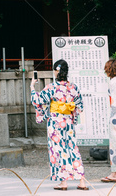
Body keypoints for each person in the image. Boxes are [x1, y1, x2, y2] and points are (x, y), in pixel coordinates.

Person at [31, 59, 89, 191]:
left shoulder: (51, 87)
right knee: (73, 148)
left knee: (58, 150)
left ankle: (63, 183)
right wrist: (69, 110)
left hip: (55, 122)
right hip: (68, 122)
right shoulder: (73, 87)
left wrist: (32, 87)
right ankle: (82, 181)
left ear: (56, 71)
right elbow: (79, 106)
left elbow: (38, 101)